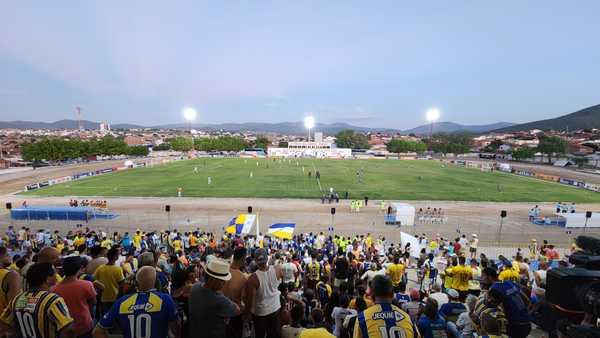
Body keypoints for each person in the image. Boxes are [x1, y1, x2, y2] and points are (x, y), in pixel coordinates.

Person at [94, 266, 180, 338]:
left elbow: (97, 332)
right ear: (156, 282)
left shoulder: (122, 302)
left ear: (137, 283)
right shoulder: (165, 300)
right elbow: (176, 328)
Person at [0, 262, 76, 338]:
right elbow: (68, 330)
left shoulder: (17, 299)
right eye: (54, 274)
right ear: (47, 279)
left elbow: (4, 324)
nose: (56, 277)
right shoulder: (53, 300)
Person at [189, 258, 240, 338]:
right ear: (213, 280)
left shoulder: (195, 287)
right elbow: (237, 310)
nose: (224, 284)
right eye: (222, 281)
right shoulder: (219, 299)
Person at [52, 256, 96, 338]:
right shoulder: (87, 284)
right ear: (80, 268)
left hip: (65, 328)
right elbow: (93, 302)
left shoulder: (54, 289)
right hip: (84, 324)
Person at [481, 267, 530, 338]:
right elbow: (526, 300)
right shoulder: (509, 282)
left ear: (489, 277)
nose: (481, 278)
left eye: (483, 276)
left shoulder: (494, 288)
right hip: (527, 322)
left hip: (515, 325)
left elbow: (489, 305)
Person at [246, 248, 283, 338]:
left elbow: (251, 301)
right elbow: (281, 280)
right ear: (267, 258)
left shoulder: (253, 278)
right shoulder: (277, 269)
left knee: (260, 335)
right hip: (275, 307)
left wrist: (248, 315)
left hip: (261, 313)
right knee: (274, 334)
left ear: (255, 261)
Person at [223, 247, 248, 338]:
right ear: (243, 258)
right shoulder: (243, 278)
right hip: (235, 314)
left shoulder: (223, 270)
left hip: (221, 311)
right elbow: (243, 299)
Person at [93, 247, 125, 315]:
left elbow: (93, 279)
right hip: (115, 297)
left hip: (104, 297)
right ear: (116, 257)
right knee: (115, 315)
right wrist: (121, 297)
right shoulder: (118, 269)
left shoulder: (101, 268)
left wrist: (99, 289)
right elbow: (122, 285)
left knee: (106, 315)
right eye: (118, 254)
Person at [0, 247, 21, 315]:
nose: (10, 257)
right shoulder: (11, 275)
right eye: (7, 255)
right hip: (4, 323)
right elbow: (16, 305)